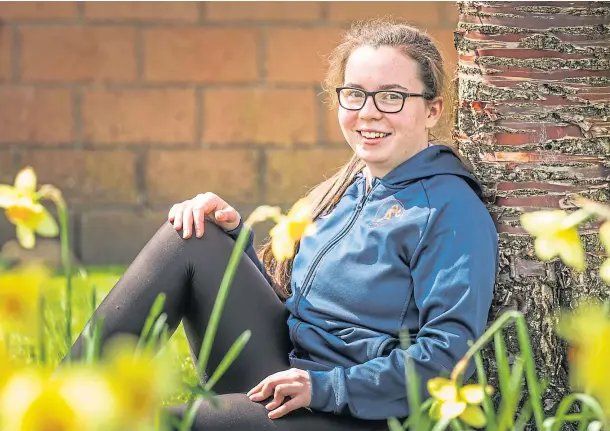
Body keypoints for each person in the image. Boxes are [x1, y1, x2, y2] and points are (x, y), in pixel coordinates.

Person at [65, 17, 498, 431]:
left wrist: (327, 387)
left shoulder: (448, 210)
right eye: (355, 94)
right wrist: (234, 242)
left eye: (391, 96)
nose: (369, 112)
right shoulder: (349, 186)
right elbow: (298, 300)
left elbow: (447, 356)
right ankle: (57, 404)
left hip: (356, 410)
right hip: (290, 371)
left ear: (432, 110)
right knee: (193, 235)